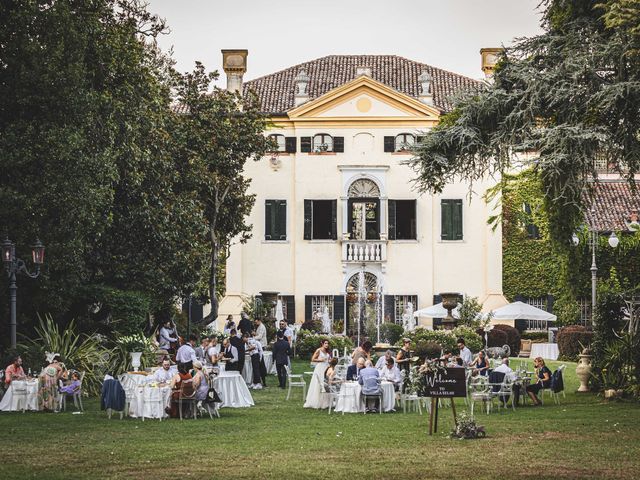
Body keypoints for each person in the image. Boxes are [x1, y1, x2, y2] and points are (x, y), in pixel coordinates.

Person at [303, 340, 332, 409]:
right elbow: (313, 359)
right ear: (322, 344)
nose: (326, 345)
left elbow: (328, 359)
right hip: (320, 368)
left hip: (326, 368)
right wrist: (321, 360)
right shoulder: (319, 350)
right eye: (325, 343)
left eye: (327, 343)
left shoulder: (327, 351)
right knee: (319, 383)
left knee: (325, 383)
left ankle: (325, 402)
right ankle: (316, 401)